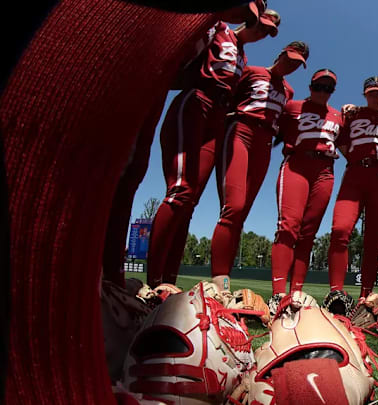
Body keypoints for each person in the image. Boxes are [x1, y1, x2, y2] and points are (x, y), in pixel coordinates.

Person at [0, 0, 260, 402]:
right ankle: (144, 285)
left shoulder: (234, 48)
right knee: (155, 182)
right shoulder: (208, 30)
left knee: (154, 180)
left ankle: (146, 286)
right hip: (187, 98)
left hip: (203, 103)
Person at [146, 11, 280, 288]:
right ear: (248, 18)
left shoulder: (242, 56)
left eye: (267, 32)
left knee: (190, 201)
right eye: (260, 25)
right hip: (197, 101)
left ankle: (168, 284)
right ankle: (152, 281)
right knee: (180, 190)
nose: (261, 33)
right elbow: (180, 57)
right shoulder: (217, 27)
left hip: (218, 117)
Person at [209, 40, 307, 293]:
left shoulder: (288, 91)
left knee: (243, 213)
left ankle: (225, 281)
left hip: (264, 143)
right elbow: (229, 97)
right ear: (281, 54)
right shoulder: (252, 71)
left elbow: (285, 123)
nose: (291, 66)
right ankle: (217, 279)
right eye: (290, 59)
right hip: (241, 130)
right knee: (233, 206)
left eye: (298, 64)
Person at [270, 69, 343, 295]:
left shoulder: (338, 115)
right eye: (318, 86)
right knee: (288, 226)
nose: (323, 91)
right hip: (297, 165)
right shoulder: (293, 107)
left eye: (328, 88)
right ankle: (278, 293)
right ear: (310, 87)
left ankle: (296, 293)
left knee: (308, 233)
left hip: (324, 170)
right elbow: (272, 126)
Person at [327, 76, 378, 298]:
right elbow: (342, 142)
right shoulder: (354, 114)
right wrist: (358, 158)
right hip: (355, 174)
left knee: (374, 239)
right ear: (365, 94)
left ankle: (366, 295)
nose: (376, 97)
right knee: (340, 229)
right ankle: (336, 293)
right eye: (372, 93)